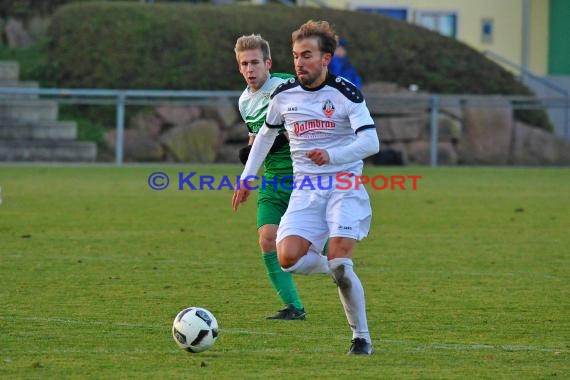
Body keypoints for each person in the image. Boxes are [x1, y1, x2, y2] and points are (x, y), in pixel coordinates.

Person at [232, 21, 379, 355]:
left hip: (344, 186)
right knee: (287, 259)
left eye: (307, 55)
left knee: (340, 259)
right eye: (296, 55)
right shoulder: (284, 96)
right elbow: (266, 135)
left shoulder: (345, 93)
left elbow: (371, 141)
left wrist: (333, 154)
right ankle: (340, 271)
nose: (299, 62)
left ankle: (361, 337)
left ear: (325, 59)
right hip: (305, 190)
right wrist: (247, 176)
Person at [234, 34, 328, 320]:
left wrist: (283, 137)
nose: (250, 70)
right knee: (267, 238)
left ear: (268, 63)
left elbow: (310, 123)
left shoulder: (287, 86)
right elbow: (257, 138)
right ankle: (293, 307)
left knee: (304, 252)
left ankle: (336, 264)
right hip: (275, 179)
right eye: (244, 64)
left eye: (254, 63)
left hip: (306, 178)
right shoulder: (244, 102)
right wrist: (247, 175)